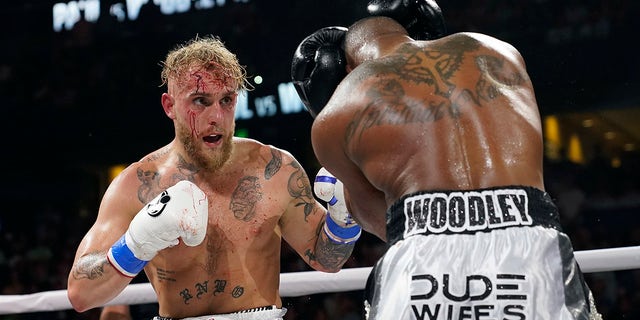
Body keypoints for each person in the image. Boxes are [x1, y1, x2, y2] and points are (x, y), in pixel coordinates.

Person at [291, 0, 602, 319]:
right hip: (531, 237)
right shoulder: (500, 52)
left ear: (345, 69)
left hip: (426, 253)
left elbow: (383, 223)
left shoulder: (336, 114)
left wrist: (344, 201)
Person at [67, 35, 360, 320]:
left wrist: (344, 216)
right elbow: (81, 293)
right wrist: (137, 243)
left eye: (227, 100)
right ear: (170, 106)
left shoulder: (274, 169)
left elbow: (327, 260)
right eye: (200, 101)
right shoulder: (137, 185)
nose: (216, 116)